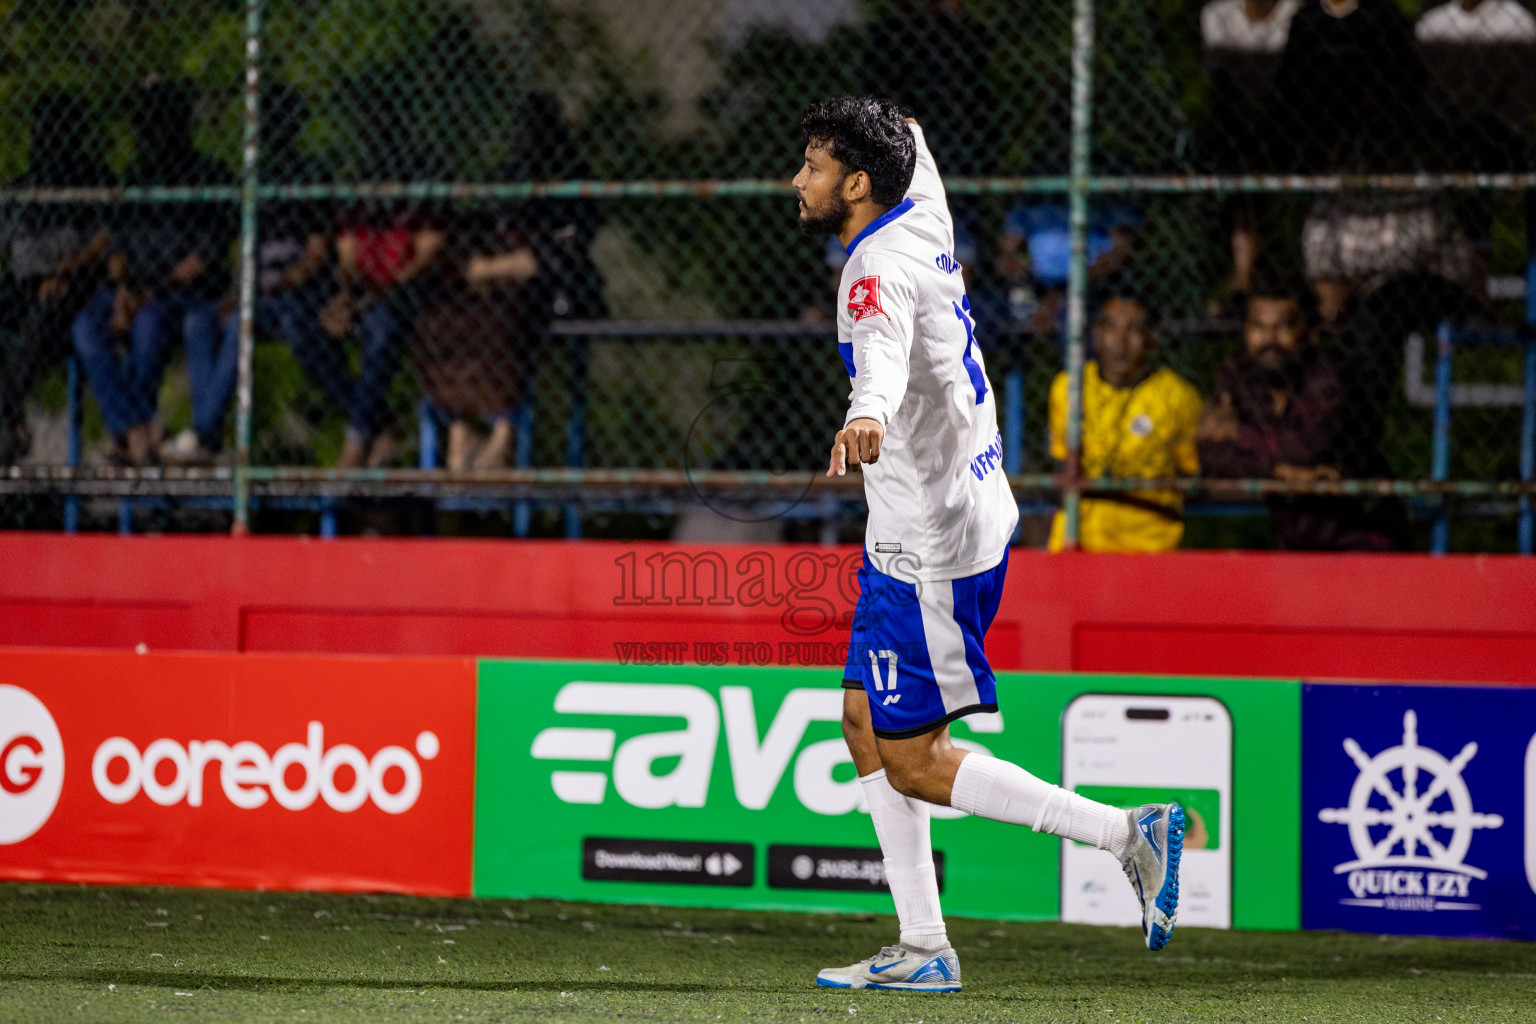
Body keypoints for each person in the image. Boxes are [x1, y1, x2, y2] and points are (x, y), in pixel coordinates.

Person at [794, 96, 1184, 994]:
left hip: (932, 541)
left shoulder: (872, 273)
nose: (797, 179)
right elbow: (913, 140)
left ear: (856, 183)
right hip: (929, 518)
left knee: (913, 757)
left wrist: (864, 415)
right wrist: (879, 117)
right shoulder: (918, 203)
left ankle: (1130, 834)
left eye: (813, 164)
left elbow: (883, 359)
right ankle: (924, 946)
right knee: (862, 721)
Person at [412, 92, 604, 470]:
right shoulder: (507, 175)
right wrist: (481, 266)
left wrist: (495, 268)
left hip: (550, 286)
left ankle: (503, 432)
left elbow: (563, 250)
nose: (528, 138)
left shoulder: (574, 178)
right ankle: (459, 425)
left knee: (504, 319)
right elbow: (484, 229)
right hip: (496, 282)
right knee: (439, 318)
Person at [71, 77, 231, 466]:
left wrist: (147, 293)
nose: (146, 131)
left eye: (156, 121)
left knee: (150, 324)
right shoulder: (137, 177)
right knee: (86, 326)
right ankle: (134, 426)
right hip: (134, 288)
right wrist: (125, 289)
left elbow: (201, 260)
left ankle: (132, 434)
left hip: (176, 293)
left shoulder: (210, 174)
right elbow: (116, 248)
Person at [182, 85, 335, 466]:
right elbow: (243, 248)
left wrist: (282, 283)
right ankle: (209, 437)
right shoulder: (257, 174)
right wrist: (240, 289)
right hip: (258, 292)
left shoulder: (311, 173)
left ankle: (202, 432)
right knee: (198, 321)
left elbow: (317, 249)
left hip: (297, 293)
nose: (271, 132)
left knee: (239, 324)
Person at [1197, 277, 1408, 551]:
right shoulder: (1237, 373)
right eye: (1258, 327)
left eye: (1283, 327)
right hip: (1294, 538)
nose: (1269, 340)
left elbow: (1303, 450)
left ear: (1308, 331)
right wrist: (1278, 470)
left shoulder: (1332, 374)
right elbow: (1212, 453)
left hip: (1361, 533)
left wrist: (1239, 434)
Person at [0, 91, 112, 464]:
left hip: (75, 279)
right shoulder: (23, 186)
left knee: (43, 315)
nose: (44, 138)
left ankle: (5, 417)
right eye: (41, 129)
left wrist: (66, 269)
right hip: (26, 282)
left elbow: (106, 239)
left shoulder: (91, 179)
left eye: (55, 130)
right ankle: (11, 424)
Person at [1047, 295, 1203, 553]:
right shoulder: (1069, 387)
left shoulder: (1177, 396)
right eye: (1111, 328)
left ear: (1152, 339)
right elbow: (1060, 461)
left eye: (1134, 329)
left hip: (1149, 543)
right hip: (1079, 538)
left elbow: (1193, 474)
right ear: (1096, 336)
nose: (1121, 342)